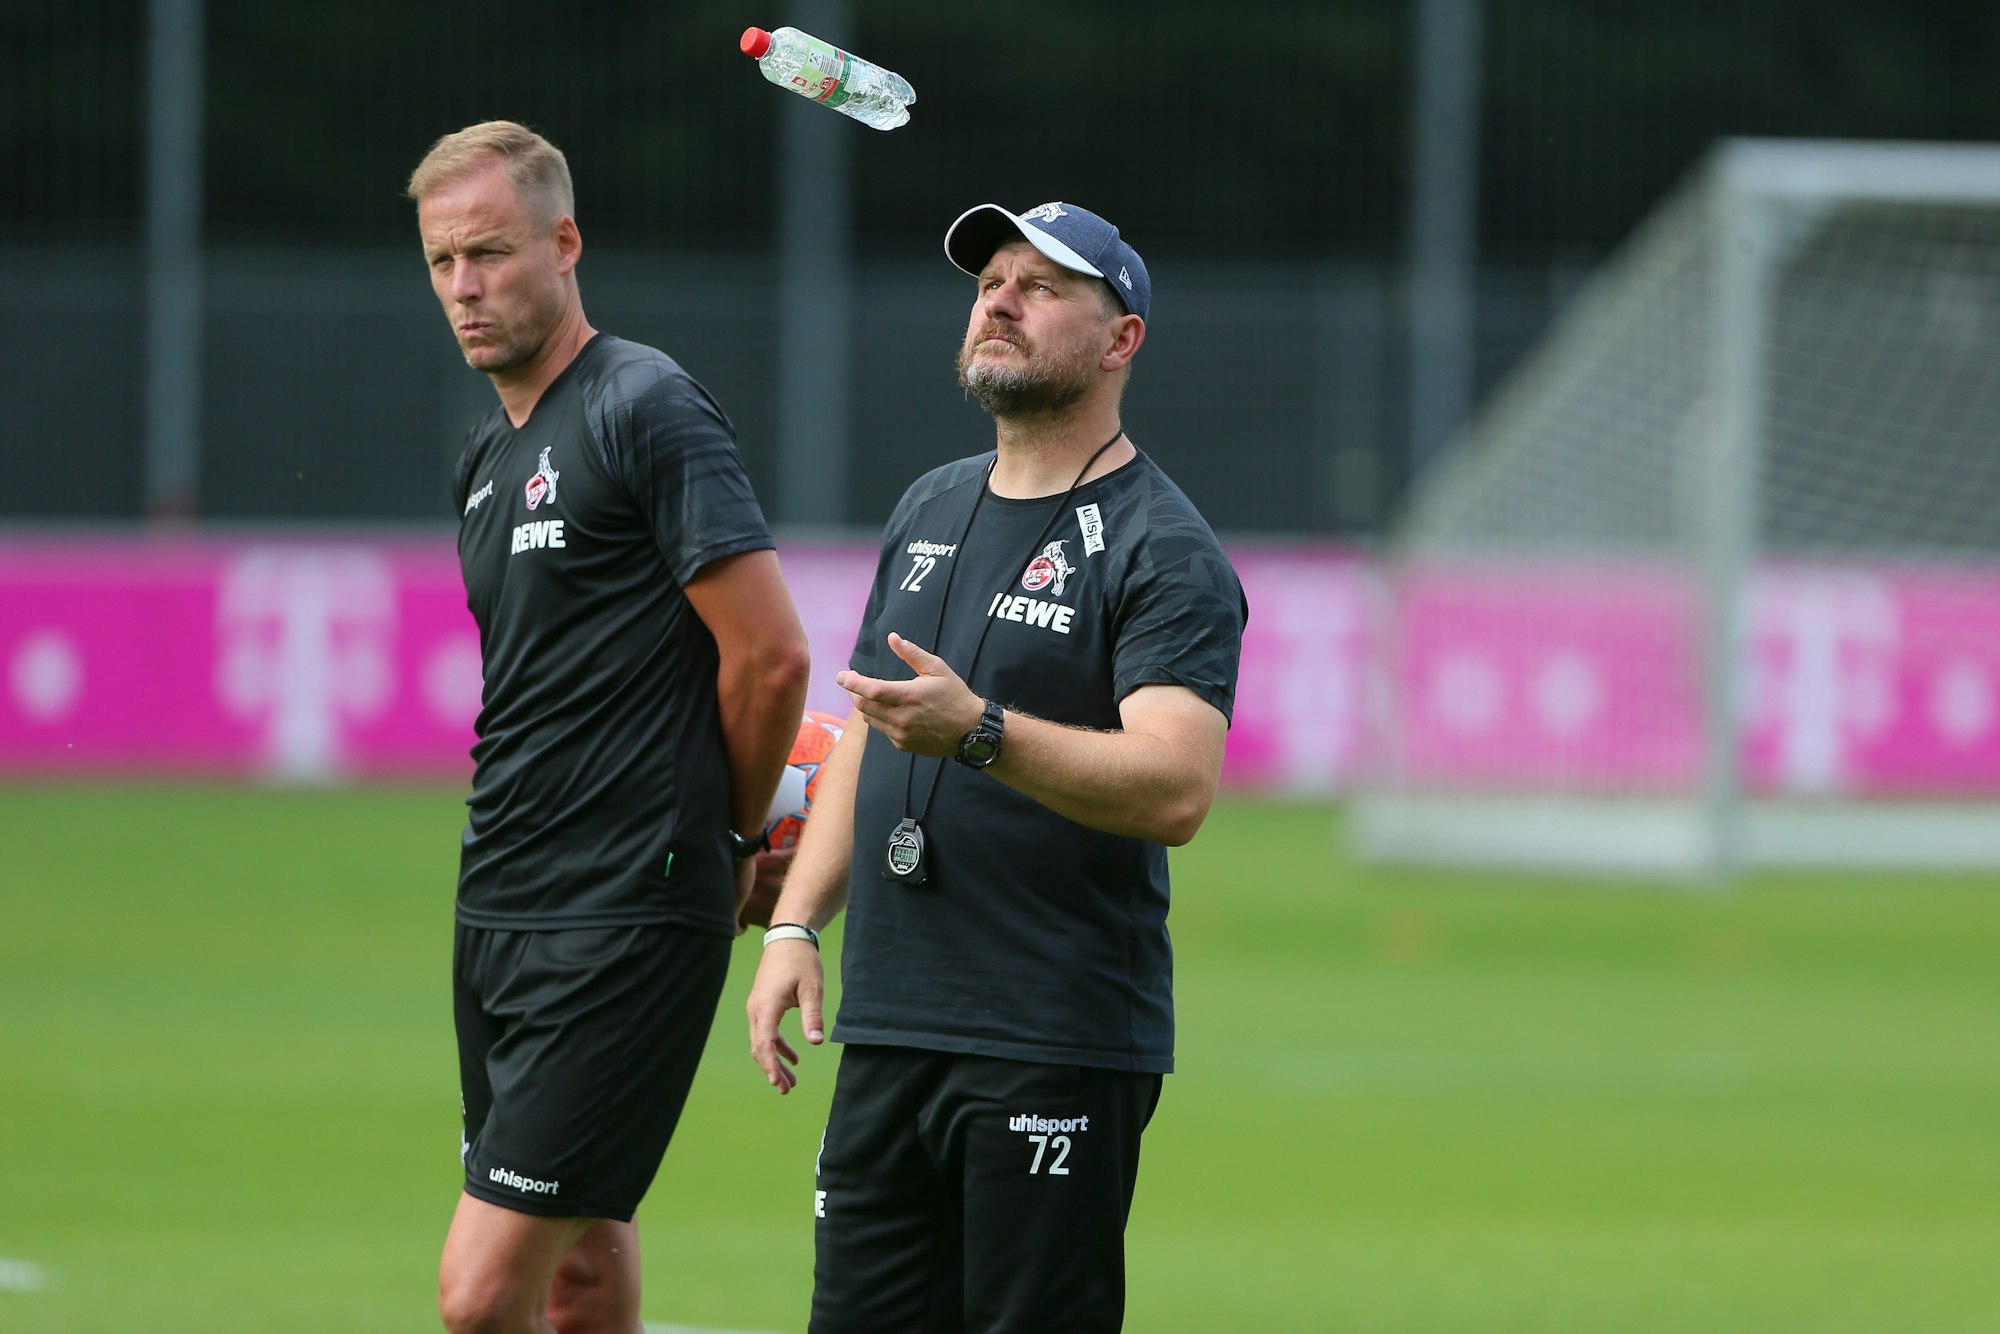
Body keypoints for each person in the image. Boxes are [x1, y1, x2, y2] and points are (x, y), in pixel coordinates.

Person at [746, 201, 1248, 1332]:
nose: (1000, 302)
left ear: (1120, 339)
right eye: (989, 283)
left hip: (1049, 1039)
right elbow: (870, 730)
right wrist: (794, 926)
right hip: (888, 1025)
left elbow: (1177, 786)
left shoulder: (1162, 545)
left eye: (1042, 286)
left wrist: (981, 731)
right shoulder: (928, 502)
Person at [407, 120, 810, 1334]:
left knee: (481, 1295)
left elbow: (769, 655)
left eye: (490, 252)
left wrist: (730, 840)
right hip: (501, 902)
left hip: (626, 910)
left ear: (564, 243)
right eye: (442, 261)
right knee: (577, 1272)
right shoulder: (484, 454)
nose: (465, 287)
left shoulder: (645, 405)